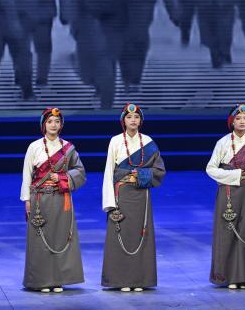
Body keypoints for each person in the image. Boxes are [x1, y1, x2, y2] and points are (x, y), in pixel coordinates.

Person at [101, 103, 166, 291]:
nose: (133, 120)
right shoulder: (115, 141)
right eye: (129, 117)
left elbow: (159, 170)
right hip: (121, 195)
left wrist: (140, 176)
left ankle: (140, 280)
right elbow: (109, 172)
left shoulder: (148, 142)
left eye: (136, 117)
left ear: (141, 121)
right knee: (121, 234)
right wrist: (109, 202)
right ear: (123, 120)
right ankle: (121, 280)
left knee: (140, 235)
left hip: (141, 195)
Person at [21, 107, 86, 292]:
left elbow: (80, 172)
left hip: (60, 198)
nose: (53, 125)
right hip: (39, 199)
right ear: (44, 125)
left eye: (57, 122)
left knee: (59, 238)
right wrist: (27, 200)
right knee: (40, 240)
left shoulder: (68, 148)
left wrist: (62, 178)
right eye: (50, 121)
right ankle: (41, 280)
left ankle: (57, 280)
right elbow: (27, 175)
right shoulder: (34, 147)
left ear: (61, 125)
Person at [206, 104, 245, 289]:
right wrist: (236, 175)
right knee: (228, 232)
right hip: (229, 193)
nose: (242, 122)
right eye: (238, 118)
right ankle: (228, 276)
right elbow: (210, 169)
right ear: (232, 122)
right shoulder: (223, 143)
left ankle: (243, 276)